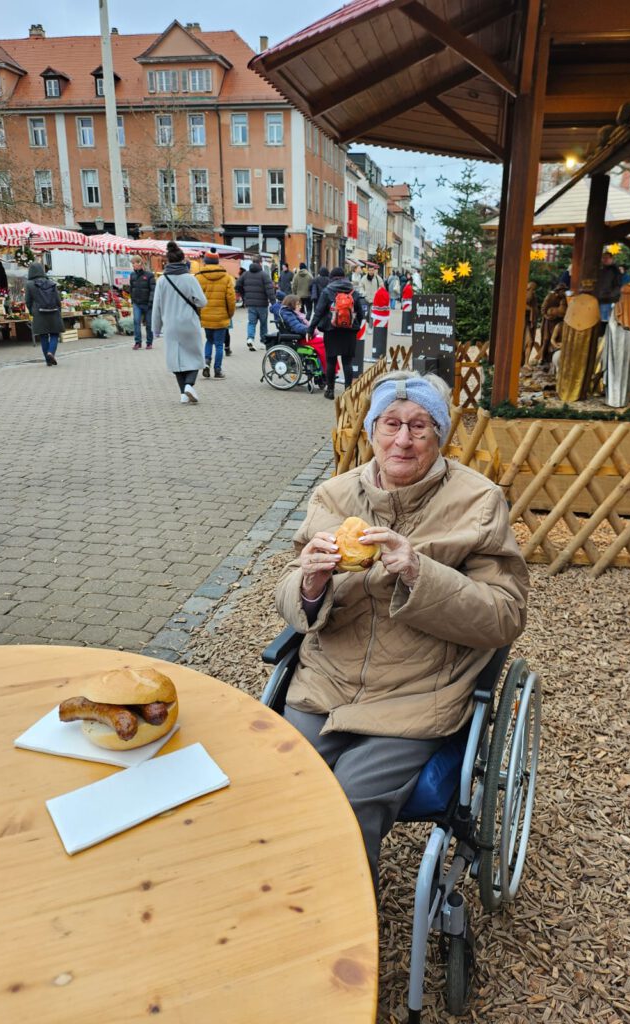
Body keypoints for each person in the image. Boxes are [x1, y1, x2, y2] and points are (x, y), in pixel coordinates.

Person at [275, 370, 529, 889]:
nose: (404, 440)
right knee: (274, 787)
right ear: (371, 432)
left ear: (440, 435)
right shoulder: (333, 495)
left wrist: (419, 573)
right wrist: (310, 582)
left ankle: (337, 934)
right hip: (324, 684)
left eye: (420, 426)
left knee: (345, 805)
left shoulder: (477, 503)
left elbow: (505, 614)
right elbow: (288, 593)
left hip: (416, 696)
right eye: (391, 423)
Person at [151, 241, 207, 404]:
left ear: (167, 261)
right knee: (195, 356)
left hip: (170, 325)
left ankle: (183, 393)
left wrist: (156, 328)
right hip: (189, 323)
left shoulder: (162, 281)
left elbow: (157, 307)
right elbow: (202, 302)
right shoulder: (190, 279)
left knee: (175, 359)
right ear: (183, 260)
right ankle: (189, 385)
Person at [308, 266, 367, 400]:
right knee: (347, 362)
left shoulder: (328, 291)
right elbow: (361, 314)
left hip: (331, 330)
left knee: (331, 361)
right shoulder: (353, 291)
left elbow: (318, 312)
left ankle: (330, 391)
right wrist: (354, 326)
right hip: (349, 332)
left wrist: (311, 328)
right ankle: (348, 391)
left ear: (332, 278)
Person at [196, 253, 236, 379]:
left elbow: (195, 298)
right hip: (221, 316)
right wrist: (230, 314)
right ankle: (217, 370)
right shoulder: (226, 277)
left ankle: (206, 362)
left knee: (209, 340)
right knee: (219, 344)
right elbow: (231, 298)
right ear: (218, 262)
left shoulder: (199, 277)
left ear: (206, 262)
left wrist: (199, 314)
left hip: (206, 316)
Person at [25, 262, 64, 367]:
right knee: (55, 334)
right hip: (53, 311)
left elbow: (28, 301)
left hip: (39, 312)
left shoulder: (29, 285)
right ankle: (51, 352)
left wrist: (31, 311)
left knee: (43, 336)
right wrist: (59, 310)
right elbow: (57, 299)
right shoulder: (51, 283)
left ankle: (48, 360)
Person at [235, 259, 274, 351]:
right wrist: (273, 303)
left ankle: (250, 339)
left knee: (251, 322)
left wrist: (244, 296)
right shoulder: (264, 275)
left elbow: (237, 285)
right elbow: (270, 290)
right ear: (260, 263)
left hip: (251, 304)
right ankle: (264, 341)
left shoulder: (245, 274)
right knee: (263, 323)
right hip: (262, 304)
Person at [129, 255, 156, 350]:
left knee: (149, 324)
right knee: (136, 322)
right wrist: (132, 299)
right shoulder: (132, 275)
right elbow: (131, 288)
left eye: (134, 263)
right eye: (132, 263)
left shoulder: (149, 275)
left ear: (140, 263)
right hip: (137, 303)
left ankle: (149, 342)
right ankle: (138, 342)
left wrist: (151, 301)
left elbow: (153, 290)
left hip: (148, 304)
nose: (133, 265)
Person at [597, 250, 623, 334]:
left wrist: (610, 295)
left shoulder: (615, 270)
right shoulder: (601, 270)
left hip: (609, 300)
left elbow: (618, 285)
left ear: (612, 259)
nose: (604, 260)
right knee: (600, 322)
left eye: (607, 258)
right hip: (600, 299)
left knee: (607, 322)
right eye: (603, 258)